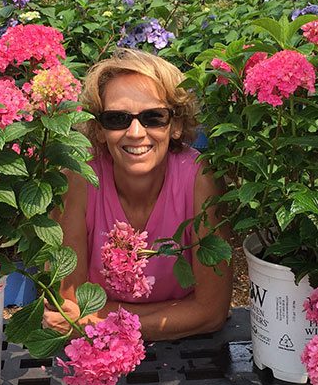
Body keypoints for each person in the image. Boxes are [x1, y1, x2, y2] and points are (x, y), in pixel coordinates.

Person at [44, 48, 232, 341]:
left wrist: (98, 321)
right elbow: (68, 305)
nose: (134, 132)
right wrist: (178, 312)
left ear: (177, 125)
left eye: (153, 117)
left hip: (184, 353)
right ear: (99, 130)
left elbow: (210, 312)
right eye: (117, 119)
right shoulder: (78, 182)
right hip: (98, 354)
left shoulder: (200, 180)